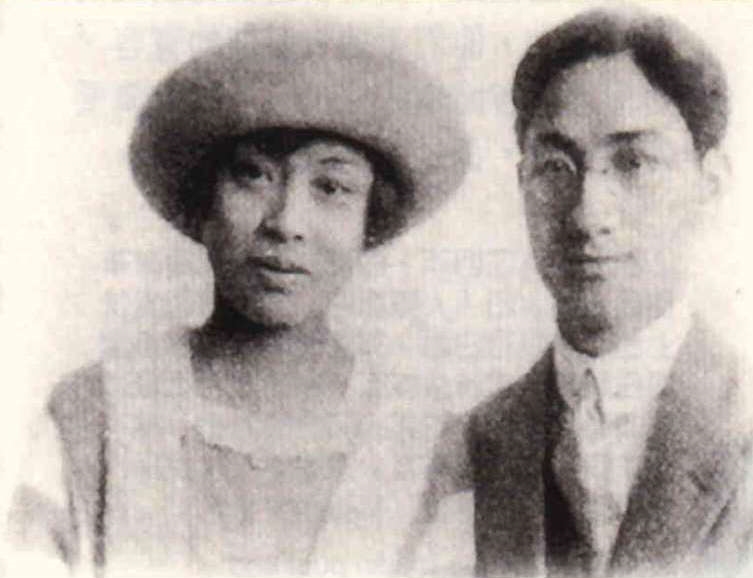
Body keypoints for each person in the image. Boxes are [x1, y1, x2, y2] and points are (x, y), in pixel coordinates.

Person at [6, 23, 470, 577]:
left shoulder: (426, 448)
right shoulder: (95, 414)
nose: (287, 222)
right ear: (205, 202)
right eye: (253, 175)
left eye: (331, 187)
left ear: (369, 221)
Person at [461, 8, 753, 578]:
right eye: (556, 166)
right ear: (522, 183)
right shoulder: (471, 443)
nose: (587, 215)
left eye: (634, 163)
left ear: (710, 185)